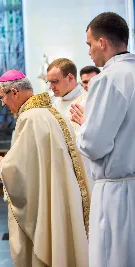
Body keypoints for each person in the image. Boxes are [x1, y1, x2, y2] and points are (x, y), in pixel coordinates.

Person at [0, 70, 90, 267]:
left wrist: (3, 164)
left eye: (3, 98)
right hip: (61, 193)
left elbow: (22, 169)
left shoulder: (31, 118)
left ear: (14, 92)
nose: (3, 103)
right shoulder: (49, 112)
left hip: (51, 195)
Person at [77, 12, 135, 267]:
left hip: (116, 192)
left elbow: (94, 144)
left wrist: (83, 126)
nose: (89, 51)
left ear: (102, 42)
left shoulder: (109, 79)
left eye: (89, 44)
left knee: (114, 258)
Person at [47, 58, 87, 137]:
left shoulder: (88, 101)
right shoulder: (54, 105)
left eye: (54, 81)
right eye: (49, 82)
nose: (50, 87)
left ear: (70, 78)